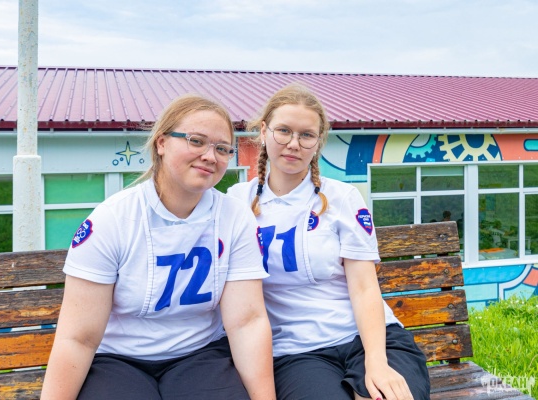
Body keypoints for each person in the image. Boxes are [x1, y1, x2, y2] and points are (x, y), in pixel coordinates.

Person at [41, 94, 275, 400]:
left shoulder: (235, 217)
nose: (210, 156)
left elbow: (246, 323)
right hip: (119, 359)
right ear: (162, 143)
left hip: (199, 354)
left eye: (222, 149)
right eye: (196, 141)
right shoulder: (115, 218)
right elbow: (78, 338)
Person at [227, 84, 430, 400]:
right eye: (284, 131)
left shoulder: (342, 197)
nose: (294, 144)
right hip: (298, 352)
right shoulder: (237, 202)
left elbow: (364, 288)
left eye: (306, 135)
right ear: (264, 131)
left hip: (371, 340)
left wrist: (376, 363)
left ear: (318, 141)